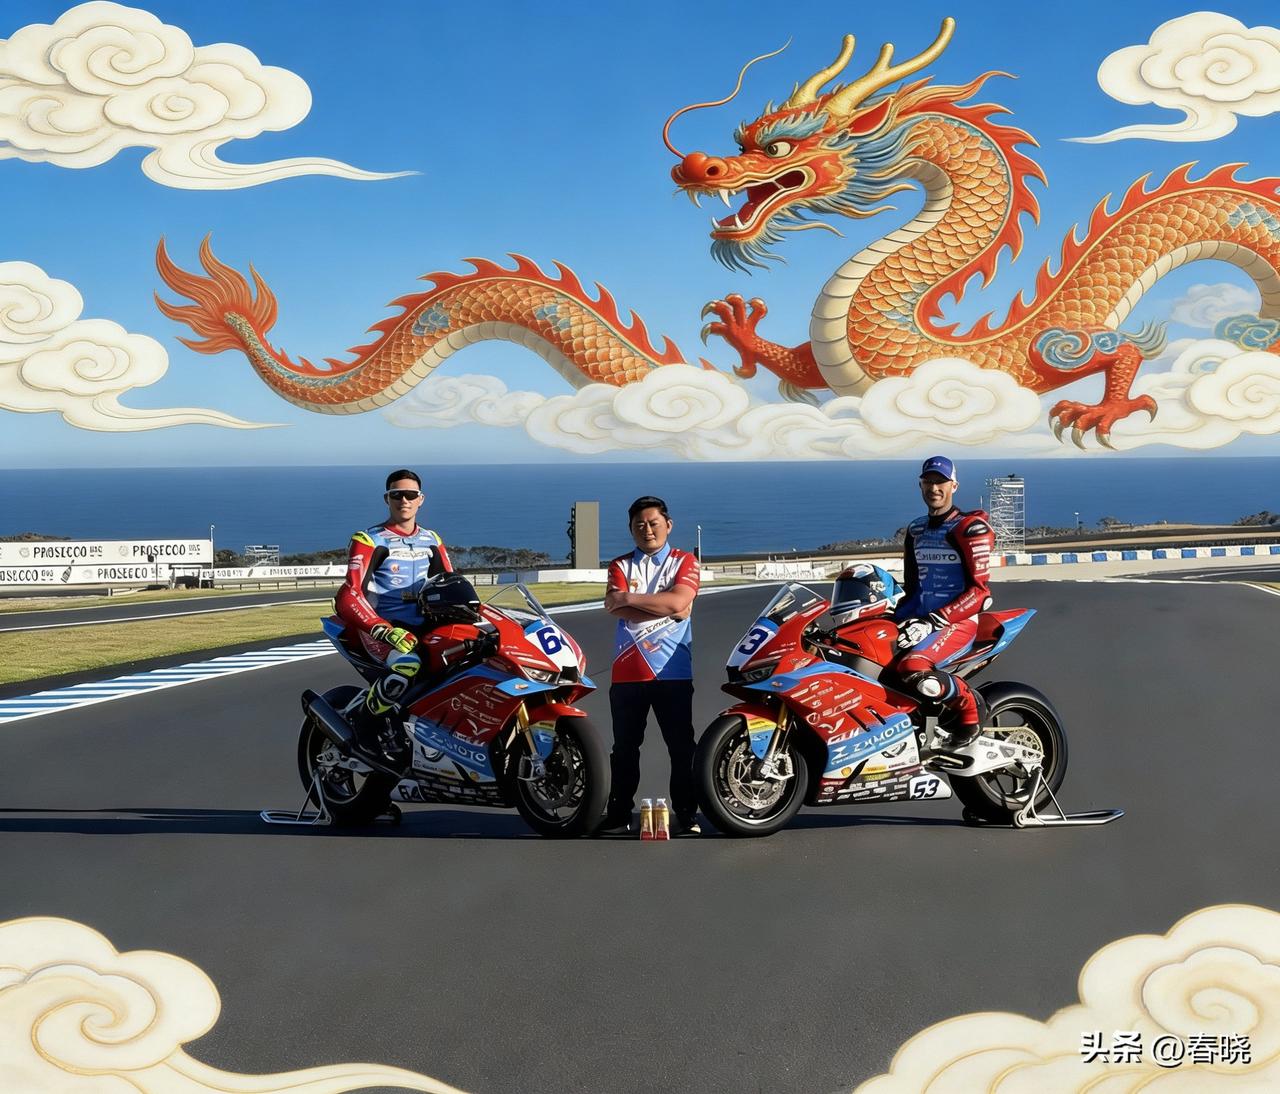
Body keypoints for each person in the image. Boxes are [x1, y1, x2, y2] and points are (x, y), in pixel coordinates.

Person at [598, 497, 702, 836]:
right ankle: (618, 815)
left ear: (668, 525)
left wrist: (629, 599)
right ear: (631, 529)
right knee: (624, 750)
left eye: (653, 523)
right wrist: (667, 605)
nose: (647, 530)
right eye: (639, 525)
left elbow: (678, 601)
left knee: (681, 747)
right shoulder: (620, 565)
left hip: (673, 670)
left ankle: (687, 813)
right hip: (628, 671)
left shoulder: (684, 560)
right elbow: (617, 607)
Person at [334, 469, 453, 760]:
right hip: (381, 628)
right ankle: (365, 727)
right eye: (396, 494)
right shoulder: (369, 539)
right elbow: (348, 594)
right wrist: (381, 628)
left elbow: (451, 584)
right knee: (407, 665)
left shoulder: (432, 539)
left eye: (410, 494)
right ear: (386, 499)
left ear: (421, 499)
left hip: (424, 626)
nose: (404, 500)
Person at [892, 456, 995, 747]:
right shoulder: (916, 530)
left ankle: (970, 708)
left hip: (957, 623)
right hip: (918, 621)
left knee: (912, 667)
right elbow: (912, 588)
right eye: (928, 481)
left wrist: (932, 622)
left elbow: (980, 593)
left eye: (941, 482)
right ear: (920, 485)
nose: (934, 488)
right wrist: (891, 617)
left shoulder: (970, 528)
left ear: (954, 486)